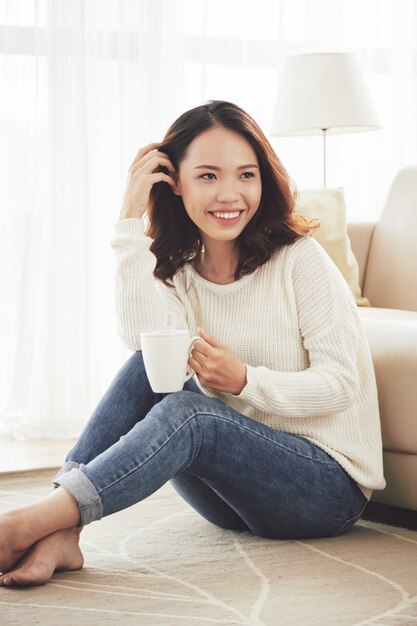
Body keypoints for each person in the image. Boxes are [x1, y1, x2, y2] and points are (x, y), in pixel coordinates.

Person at [0, 100, 385, 587]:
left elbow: (341, 384)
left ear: (263, 180)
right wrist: (128, 218)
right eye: (208, 176)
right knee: (150, 362)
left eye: (246, 175)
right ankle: (60, 530)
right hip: (232, 498)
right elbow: (141, 341)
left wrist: (246, 381)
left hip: (325, 490)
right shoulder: (181, 268)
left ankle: (31, 523)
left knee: (192, 415)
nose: (230, 193)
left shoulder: (299, 261)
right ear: (173, 182)